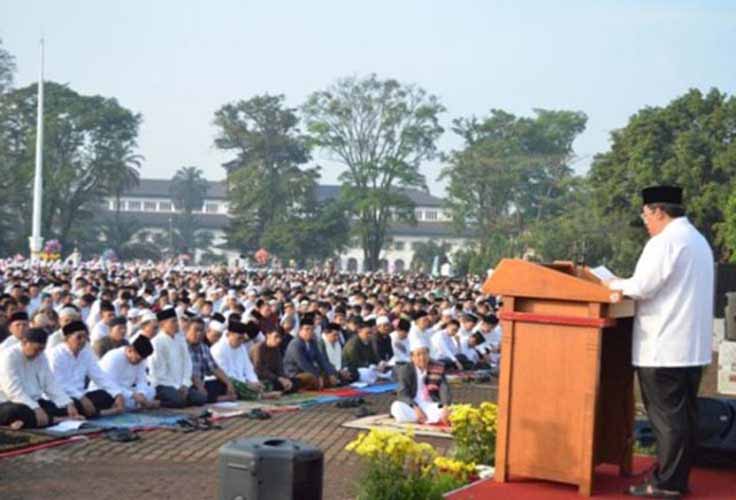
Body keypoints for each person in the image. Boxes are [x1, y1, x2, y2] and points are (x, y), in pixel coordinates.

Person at [606, 185, 714, 498]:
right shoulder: (696, 239)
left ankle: (668, 484)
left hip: (664, 345)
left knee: (667, 420)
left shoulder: (664, 241)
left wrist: (611, 283)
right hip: (690, 347)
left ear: (658, 211)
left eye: (645, 215)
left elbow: (643, 286)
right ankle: (674, 477)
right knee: (682, 417)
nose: (645, 222)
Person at [0, 328, 82, 429]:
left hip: (35, 401)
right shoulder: (8, 357)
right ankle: (60, 420)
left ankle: (28, 422)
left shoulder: (41, 355)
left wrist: (67, 403)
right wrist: (35, 408)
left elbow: (49, 382)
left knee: (75, 404)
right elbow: (13, 391)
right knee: (15, 411)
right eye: (37, 349)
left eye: (42, 349)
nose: (39, 353)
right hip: (10, 403)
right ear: (24, 342)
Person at [47, 321, 125, 418]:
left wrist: (117, 394)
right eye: (79, 337)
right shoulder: (56, 354)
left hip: (81, 395)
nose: (83, 340)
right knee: (70, 405)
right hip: (61, 397)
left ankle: (90, 413)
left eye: (85, 337)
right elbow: (59, 383)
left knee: (105, 395)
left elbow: (99, 376)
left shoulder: (86, 353)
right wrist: (81, 398)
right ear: (67, 338)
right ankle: (97, 413)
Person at [148, 308, 206, 408]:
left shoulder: (180, 340)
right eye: (173, 321)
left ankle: (177, 398)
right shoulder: (156, 342)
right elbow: (157, 372)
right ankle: (158, 403)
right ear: (162, 325)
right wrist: (176, 387)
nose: (176, 324)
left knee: (201, 399)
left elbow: (188, 364)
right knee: (178, 402)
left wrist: (185, 385)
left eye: (176, 321)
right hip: (163, 384)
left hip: (181, 384)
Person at [390, 339, 451, 425]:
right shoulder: (406, 370)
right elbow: (402, 394)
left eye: (424, 354)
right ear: (412, 357)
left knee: (449, 411)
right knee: (396, 407)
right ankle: (426, 418)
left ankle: (423, 418)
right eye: (418, 355)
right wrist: (416, 408)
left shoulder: (437, 367)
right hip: (413, 405)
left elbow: (444, 389)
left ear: (428, 355)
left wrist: (445, 407)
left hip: (431, 404)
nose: (422, 358)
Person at [96, 335, 158, 410]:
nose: (139, 362)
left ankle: (137, 404)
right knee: (111, 397)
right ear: (130, 350)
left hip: (126, 390)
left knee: (151, 390)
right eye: (138, 359)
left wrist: (141, 394)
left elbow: (141, 380)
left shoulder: (140, 360)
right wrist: (133, 396)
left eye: (142, 359)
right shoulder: (114, 357)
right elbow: (109, 384)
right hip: (107, 390)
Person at [185, 317, 237, 403]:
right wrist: (200, 387)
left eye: (201, 331)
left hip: (200, 383)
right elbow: (191, 373)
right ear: (187, 330)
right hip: (186, 384)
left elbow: (214, 368)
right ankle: (220, 399)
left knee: (222, 384)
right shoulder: (181, 346)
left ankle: (216, 397)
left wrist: (229, 383)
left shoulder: (203, 347)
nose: (199, 334)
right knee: (198, 397)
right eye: (196, 330)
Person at [283, 316, 338, 390]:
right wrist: (317, 376)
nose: (310, 332)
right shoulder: (295, 344)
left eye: (312, 329)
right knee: (311, 378)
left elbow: (321, 360)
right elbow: (303, 364)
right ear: (300, 330)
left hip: (310, 372)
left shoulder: (312, 342)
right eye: (307, 329)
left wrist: (331, 373)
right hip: (295, 374)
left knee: (333, 374)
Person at [211, 320, 262, 400]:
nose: (241, 341)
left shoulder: (241, 348)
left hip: (242, 381)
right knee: (235, 385)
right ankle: (260, 395)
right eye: (239, 338)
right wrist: (247, 384)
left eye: (242, 338)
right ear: (228, 335)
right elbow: (225, 374)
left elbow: (248, 368)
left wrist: (254, 381)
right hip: (225, 382)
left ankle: (256, 392)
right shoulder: (218, 349)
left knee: (266, 383)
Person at [250, 328, 297, 393]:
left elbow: (279, 368)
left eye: (280, 338)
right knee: (272, 384)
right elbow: (259, 370)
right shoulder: (258, 348)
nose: (278, 340)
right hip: (261, 378)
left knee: (295, 381)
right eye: (276, 336)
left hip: (274, 378)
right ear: (268, 335)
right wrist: (278, 379)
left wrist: (285, 379)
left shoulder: (276, 349)